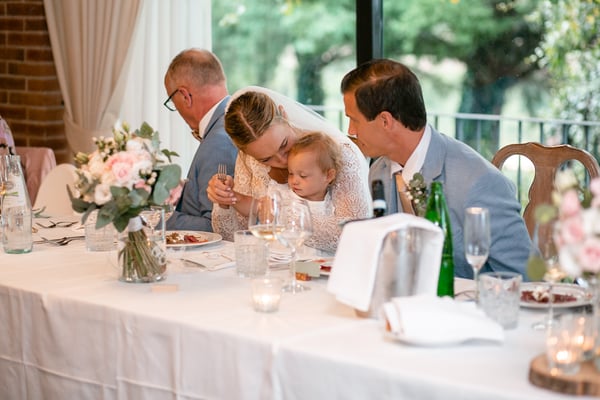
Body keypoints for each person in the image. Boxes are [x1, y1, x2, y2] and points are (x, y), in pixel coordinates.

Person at [340, 59, 531, 279]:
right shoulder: (379, 171)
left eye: (354, 120)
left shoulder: (479, 182)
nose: (350, 130)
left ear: (385, 121)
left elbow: (525, 278)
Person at [207, 86, 371, 254]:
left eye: (284, 144)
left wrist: (278, 214)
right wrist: (224, 200)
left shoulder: (336, 153)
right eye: (266, 159)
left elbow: (354, 234)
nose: (283, 161)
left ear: (284, 115)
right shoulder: (249, 159)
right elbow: (235, 238)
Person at [163, 49, 238, 231]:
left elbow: (216, 226)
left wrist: (155, 216)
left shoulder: (219, 141)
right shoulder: (226, 122)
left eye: (173, 101)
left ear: (185, 96)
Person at [286, 130, 341, 216]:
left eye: (303, 176)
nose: (294, 181)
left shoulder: (335, 201)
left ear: (328, 176)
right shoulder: (287, 200)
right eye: (291, 173)